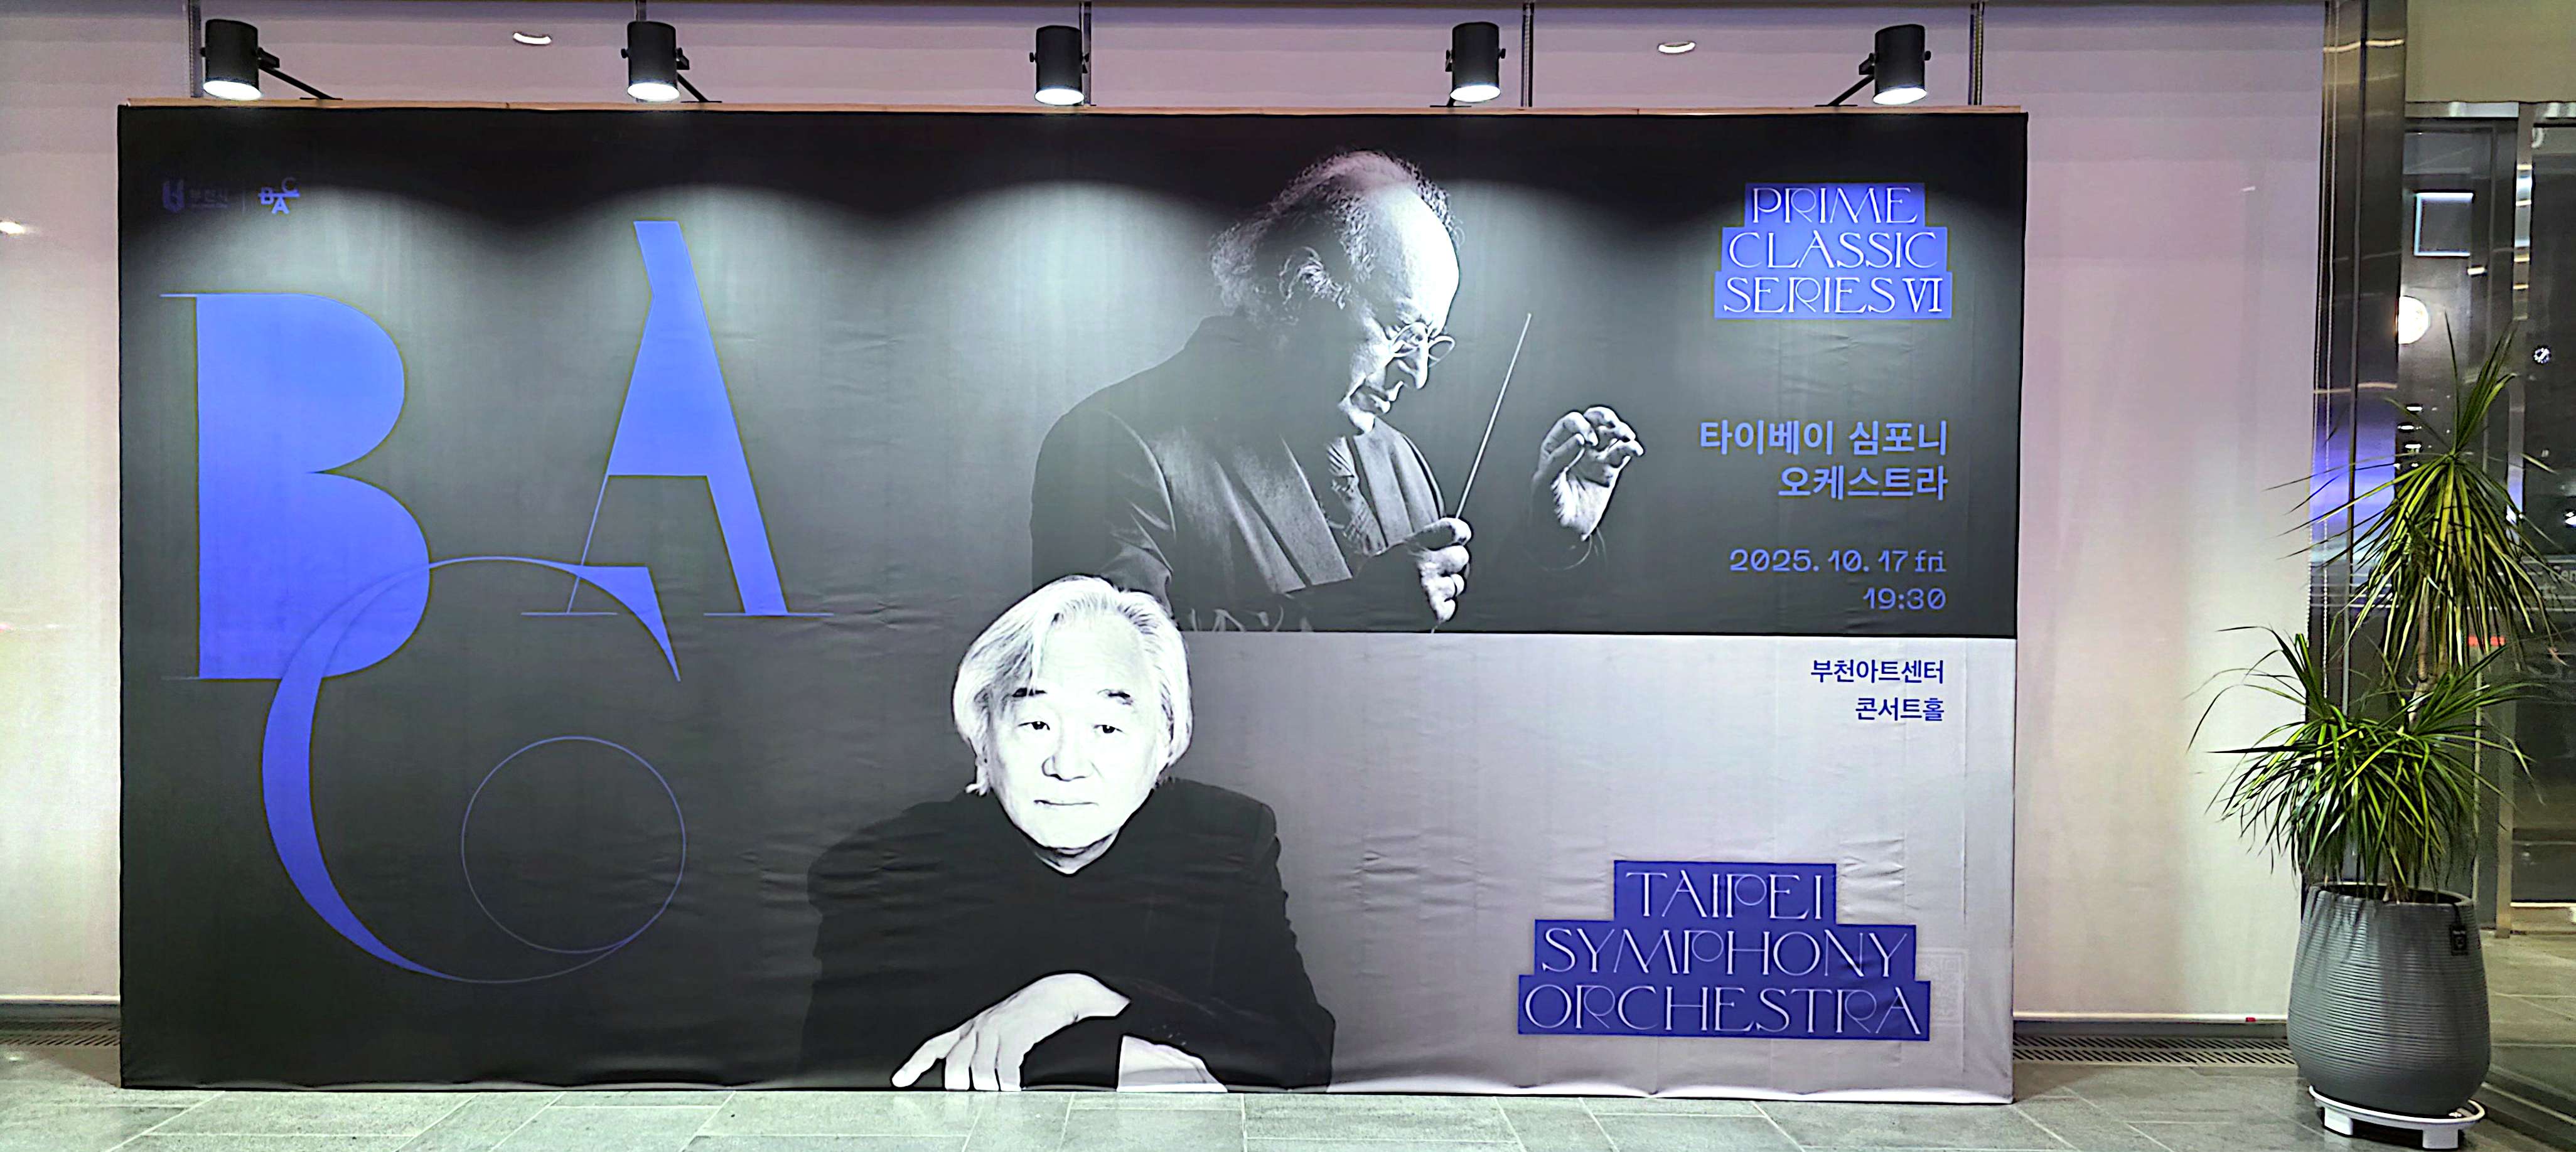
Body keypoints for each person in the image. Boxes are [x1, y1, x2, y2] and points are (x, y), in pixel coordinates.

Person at [1031, 150, 1645, 631]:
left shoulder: (1399, 461)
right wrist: (1358, 610)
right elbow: (1110, 669)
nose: (1417, 375)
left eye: (1432, 343)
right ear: (1304, 285)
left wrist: (1551, 540)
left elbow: (1450, 658)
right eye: (1401, 330)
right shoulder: (1112, 445)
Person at [800, 577, 1334, 1090]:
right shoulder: (888, 868)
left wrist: (1084, 999)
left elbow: (1301, 1054)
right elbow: (849, 1081)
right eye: (1037, 724)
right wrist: (1106, 1055)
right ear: (983, 735)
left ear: (1165, 739)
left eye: (1107, 727)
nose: (1067, 766)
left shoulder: (1226, 839)